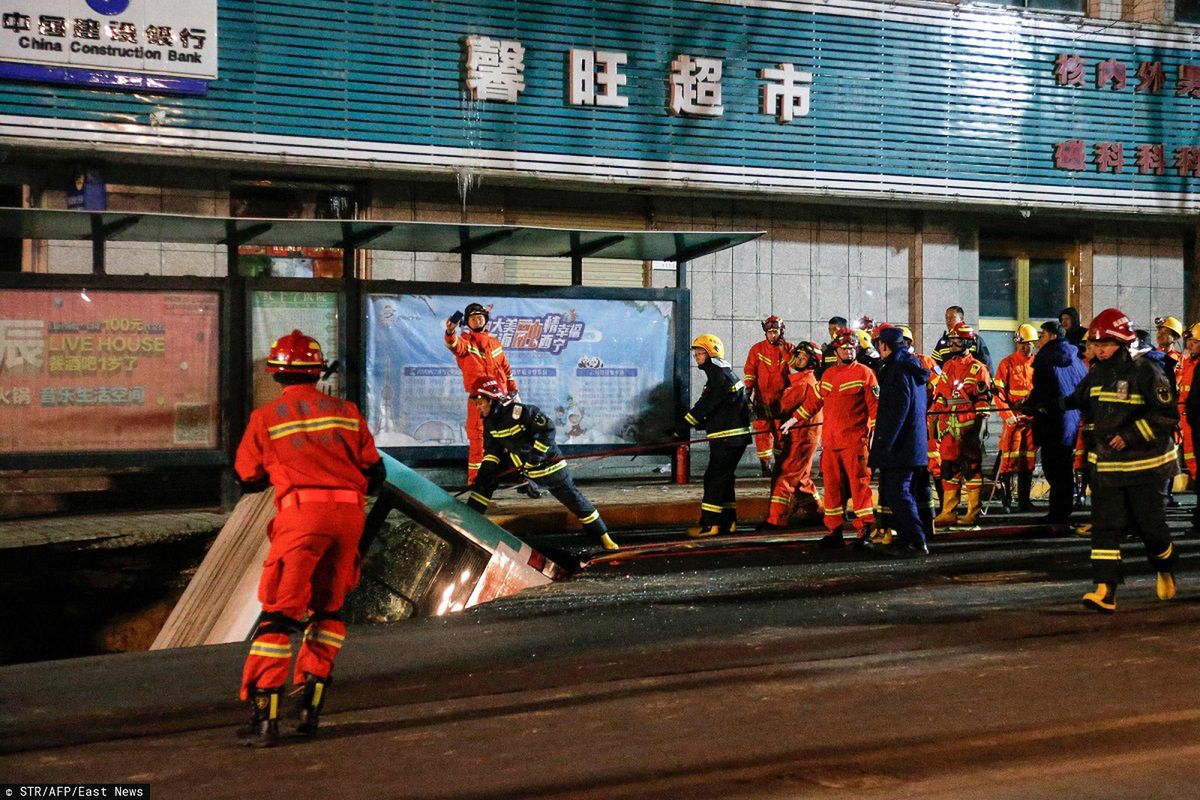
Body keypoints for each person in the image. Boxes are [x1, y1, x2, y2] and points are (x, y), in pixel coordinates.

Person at [234, 330, 385, 747]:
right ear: (318, 371)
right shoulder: (347, 411)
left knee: (278, 616)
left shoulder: (265, 418)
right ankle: (310, 709)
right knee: (329, 612)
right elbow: (375, 476)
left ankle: (265, 718)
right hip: (348, 516)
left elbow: (246, 477)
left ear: (277, 372)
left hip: (302, 517)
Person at [1061, 308, 1180, 613]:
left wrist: (1130, 435)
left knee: (1151, 529)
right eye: (1095, 345)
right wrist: (1044, 406)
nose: (1097, 350)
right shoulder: (1097, 373)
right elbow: (1076, 399)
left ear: (1122, 343)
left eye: (1104, 345)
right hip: (1108, 469)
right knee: (1105, 528)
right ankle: (1105, 591)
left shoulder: (1148, 372)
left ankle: (1164, 567)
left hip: (1145, 468)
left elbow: (1166, 416)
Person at [464, 376, 617, 551]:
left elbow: (548, 429)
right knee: (486, 479)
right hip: (523, 467)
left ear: (493, 398)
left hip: (550, 469)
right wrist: (486, 470)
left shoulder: (521, 412)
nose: (478, 408)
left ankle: (604, 537)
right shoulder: (490, 422)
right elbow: (493, 451)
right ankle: (470, 519)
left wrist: (536, 455)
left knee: (575, 501)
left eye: (480, 403)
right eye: (476, 403)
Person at [783, 328, 878, 547]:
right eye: (844, 348)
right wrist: (793, 420)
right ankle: (834, 530)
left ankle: (865, 529)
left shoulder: (865, 374)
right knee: (833, 489)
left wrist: (875, 438)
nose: (848, 351)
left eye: (851, 348)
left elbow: (875, 409)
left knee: (859, 487)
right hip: (831, 444)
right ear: (836, 351)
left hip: (856, 443)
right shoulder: (827, 376)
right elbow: (813, 402)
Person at [445, 302, 532, 494]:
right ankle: (476, 483)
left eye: (480, 317)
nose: (478, 320)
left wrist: (514, 392)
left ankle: (522, 477)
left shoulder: (495, 344)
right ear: (467, 322)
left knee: (512, 437)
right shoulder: (465, 343)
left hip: (501, 400)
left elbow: (506, 370)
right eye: (473, 318)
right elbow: (454, 345)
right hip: (479, 402)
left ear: (486, 320)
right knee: (479, 441)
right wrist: (450, 332)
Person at [679, 333, 753, 537]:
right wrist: (701, 423)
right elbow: (718, 407)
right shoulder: (722, 373)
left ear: (712, 354)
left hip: (728, 438)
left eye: (700, 353)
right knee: (725, 478)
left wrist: (683, 425)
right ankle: (729, 522)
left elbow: (706, 405)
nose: (697, 357)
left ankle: (710, 525)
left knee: (713, 478)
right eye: (696, 353)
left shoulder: (718, 376)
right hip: (732, 437)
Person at [869, 326, 932, 555]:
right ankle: (908, 539)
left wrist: (885, 443)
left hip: (901, 447)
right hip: (913, 444)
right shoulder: (913, 368)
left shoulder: (897, 371)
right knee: (904, 492)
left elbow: (897, 411)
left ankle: (916, 540)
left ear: (884, 346)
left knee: (899, 493)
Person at [1024, 321, 1087, 524]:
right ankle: (1062, 511)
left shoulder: (1046, 358)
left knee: (1053, 468)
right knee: (1064, 468)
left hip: (1052, 419)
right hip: (1072, 418)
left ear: (1052, 337)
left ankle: (1057, 514)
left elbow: (1042, 389)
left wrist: (1028, 405)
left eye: (1042, 335)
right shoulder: (1075, 358)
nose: (1038, 340)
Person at [931, 322, 992, 527]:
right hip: (949, 427)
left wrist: (979, 430)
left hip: (968, 427)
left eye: (957, 340)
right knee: (948, 469)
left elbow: (983, 401)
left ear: (968, 342)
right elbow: (940, 396)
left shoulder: (978, 369)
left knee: (971, 469)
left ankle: (972, 512)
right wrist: (935, 423)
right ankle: (948, 511)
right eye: (951, 340)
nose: (953, 343)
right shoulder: (948, 365)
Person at [759, 341, 823, 530]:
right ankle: (816, 512)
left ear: (812, 362)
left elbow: (780, 408)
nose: (799, 359)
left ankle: (776, 520)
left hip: (801, 437)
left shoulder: (803, 383)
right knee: (801, 478)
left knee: (784, 476)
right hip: (802, 436)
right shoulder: (802, 379)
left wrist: (755, 410)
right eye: (799, 355)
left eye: (804, 357)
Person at [993, 324, 1038, 512]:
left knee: (1028, 460)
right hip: (1013, 419)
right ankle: (1007, 499)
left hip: (1031, 419)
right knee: (1009, 459)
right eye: (1023, 344)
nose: (1026, 347)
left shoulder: (1038, 363)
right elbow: (998, 393)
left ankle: (1024, 500)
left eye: (1029, 344)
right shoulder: (1007, 363)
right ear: (1017, 343)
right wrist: (1007, 415)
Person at [743, 315, 794, 476]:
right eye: (770, 332)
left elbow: (795, 368)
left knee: (782, 433)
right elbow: (750, 371)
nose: (773, 335)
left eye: (776, 331)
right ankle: (765, 466)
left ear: (781, 331)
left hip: (783, 401)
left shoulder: (790, 348)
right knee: (762, 433)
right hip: (762, 400)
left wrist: (784, 350)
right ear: (765, 332)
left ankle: (780, 464)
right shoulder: (757, 349)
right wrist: (748, 391)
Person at [932, 306, 992, 371]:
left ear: (961, 318)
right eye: (947, 318)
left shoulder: (974, 340)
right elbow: (934, 365)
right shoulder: (943, 342)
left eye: (952, 318)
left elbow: (986, 364)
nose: (948, 321)